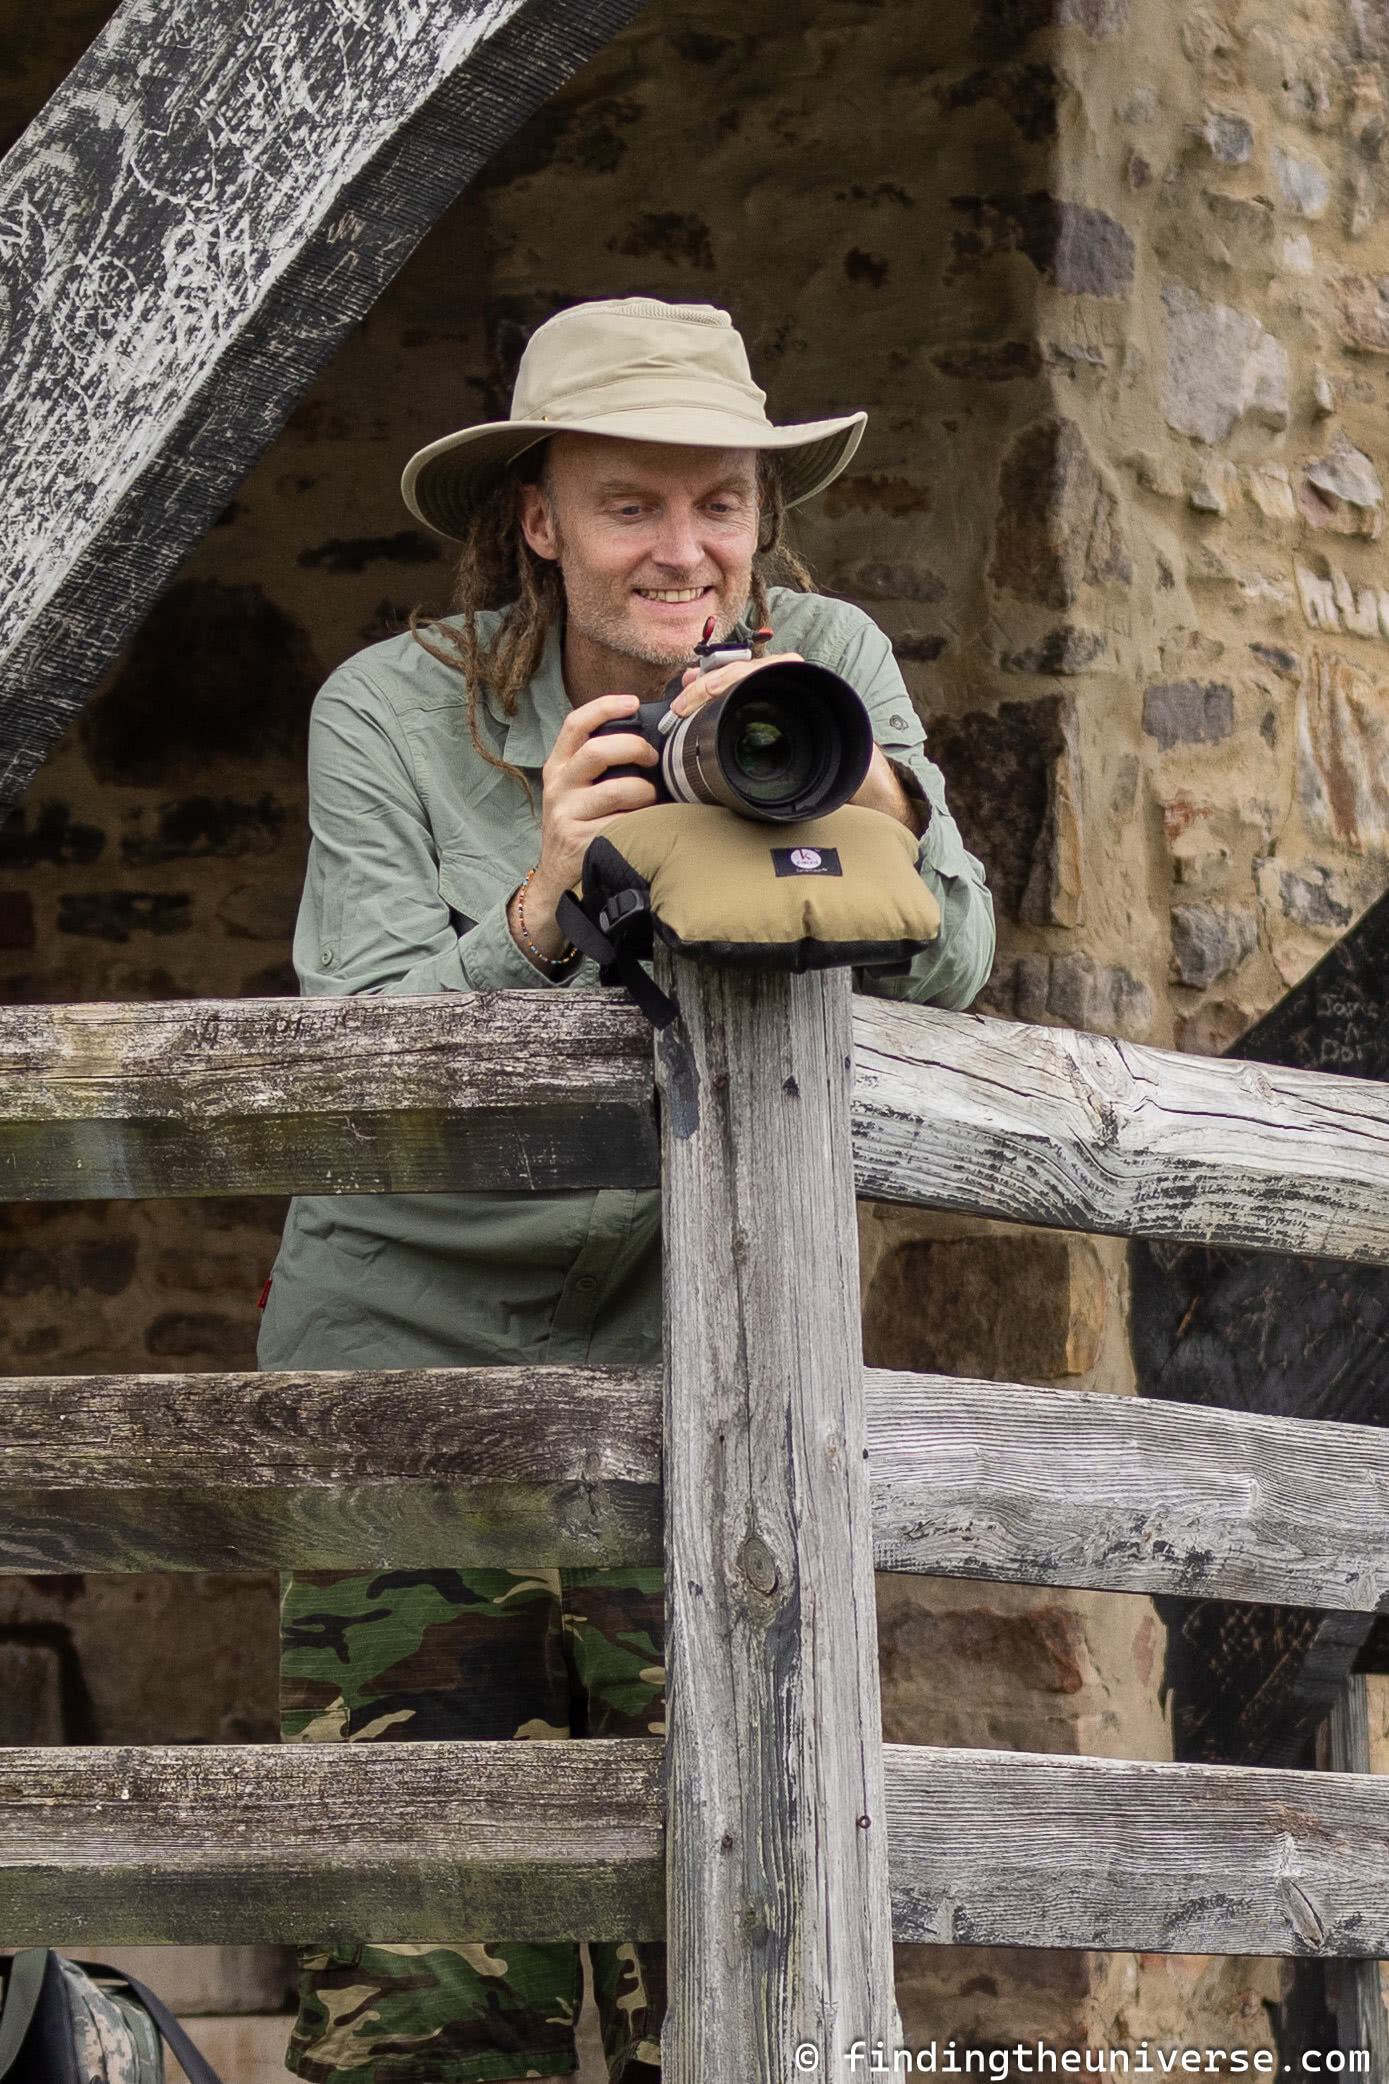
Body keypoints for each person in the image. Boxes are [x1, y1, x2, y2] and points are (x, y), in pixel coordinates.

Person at [257, 294, 995, 2084]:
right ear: (537, 515)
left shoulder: (818, 662)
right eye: (629, 504)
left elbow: (956, 951)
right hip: (413, 1380)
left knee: (741, 1951)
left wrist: (861, 797)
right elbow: (349, 1046)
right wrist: (542, 905)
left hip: (714, 1379)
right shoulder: (391, 707)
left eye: (721, 503)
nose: (685, 549)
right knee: (427, 1985)